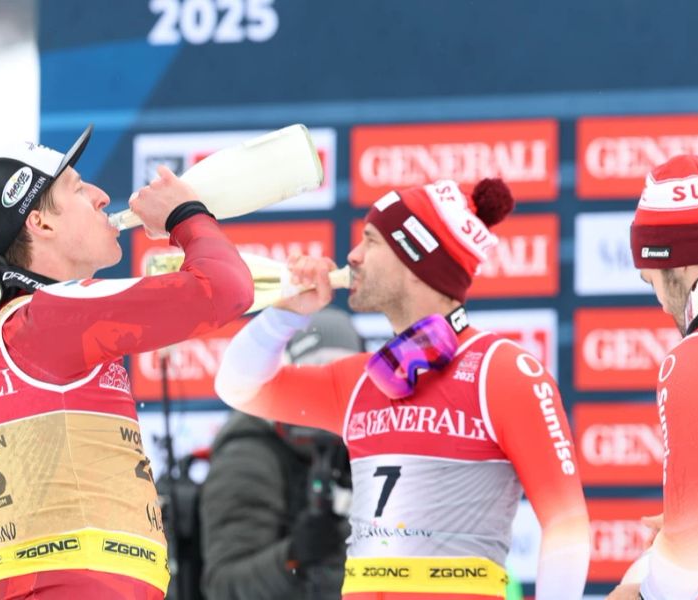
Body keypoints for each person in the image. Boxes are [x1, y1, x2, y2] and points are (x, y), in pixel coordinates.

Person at [214, 179, 591, 599]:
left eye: (371, 242)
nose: (352, 256)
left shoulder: (502, 373)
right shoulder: (362, 381)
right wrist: (285, 315)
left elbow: (567, 525)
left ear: (416, 259)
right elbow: (237, 388)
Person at [0, 126, 253, 600]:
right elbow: (226, 288)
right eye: (76, 188)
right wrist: (185, 216)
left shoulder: (1, 339)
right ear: (41, 225)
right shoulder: (51, 319)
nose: (101, 195)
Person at [606, 155, 698, 600]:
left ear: (679, 265)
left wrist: (636, 594)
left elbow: (692, 563)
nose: (659, 300)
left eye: (648, 279)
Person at [199, 307, 361, 600]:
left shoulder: (367, 441)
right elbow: (225, 586)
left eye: (345, 385)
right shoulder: (249, 455)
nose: (329, 399)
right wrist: (295, 555)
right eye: (316, 379)